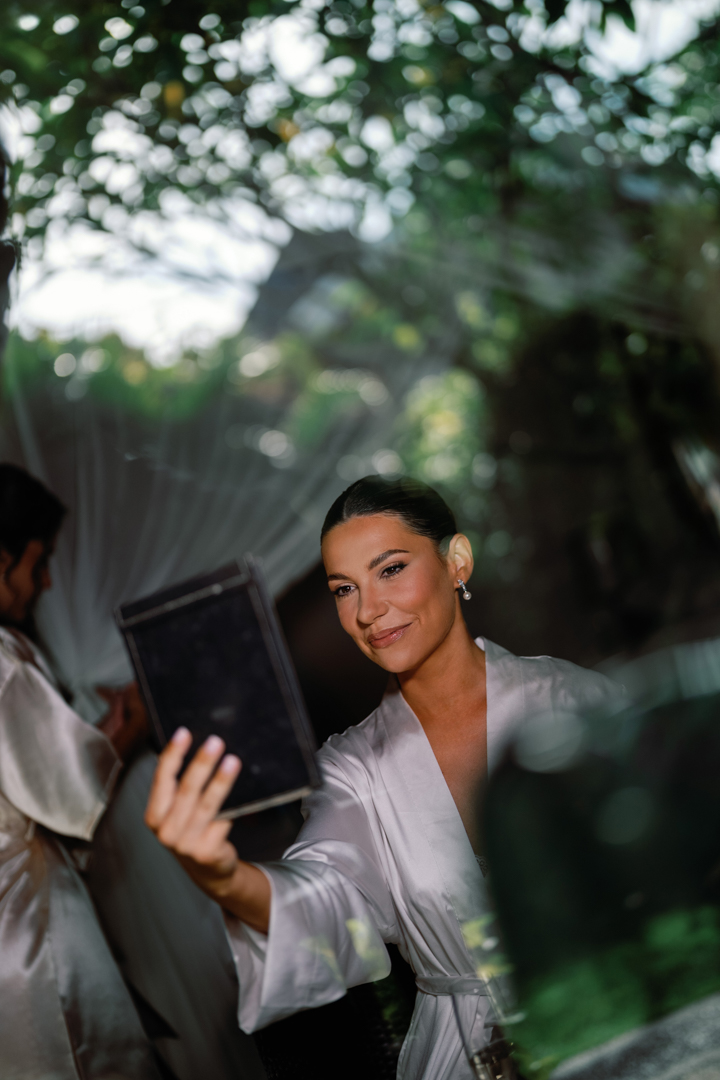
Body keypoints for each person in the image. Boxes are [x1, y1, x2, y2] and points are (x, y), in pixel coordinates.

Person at [146, 476, 626, 1080]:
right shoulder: (350, 770)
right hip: (465, 1057)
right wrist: (224, 875)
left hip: (616, 1016)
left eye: (391, 569)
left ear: (457, 561)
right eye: (344, 589)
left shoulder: (575, 701)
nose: (367, 611)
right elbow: (326, 903)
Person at [0, 463, 160, 1080]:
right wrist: (130, 725)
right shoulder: (5, 657)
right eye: (38, 561)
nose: (44, 582)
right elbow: (68, 792)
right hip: (27, 932)